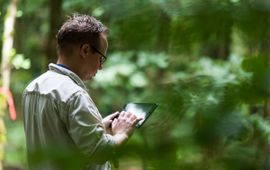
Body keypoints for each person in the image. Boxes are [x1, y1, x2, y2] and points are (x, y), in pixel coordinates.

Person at [22, 13, 141, 170]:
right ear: (85, 50)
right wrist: (122, 133)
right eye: (101, 58)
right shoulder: (74, 94)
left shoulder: (32, 88)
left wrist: (99, 126)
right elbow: (100, 151)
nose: (101, 67)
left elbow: (59, 139)